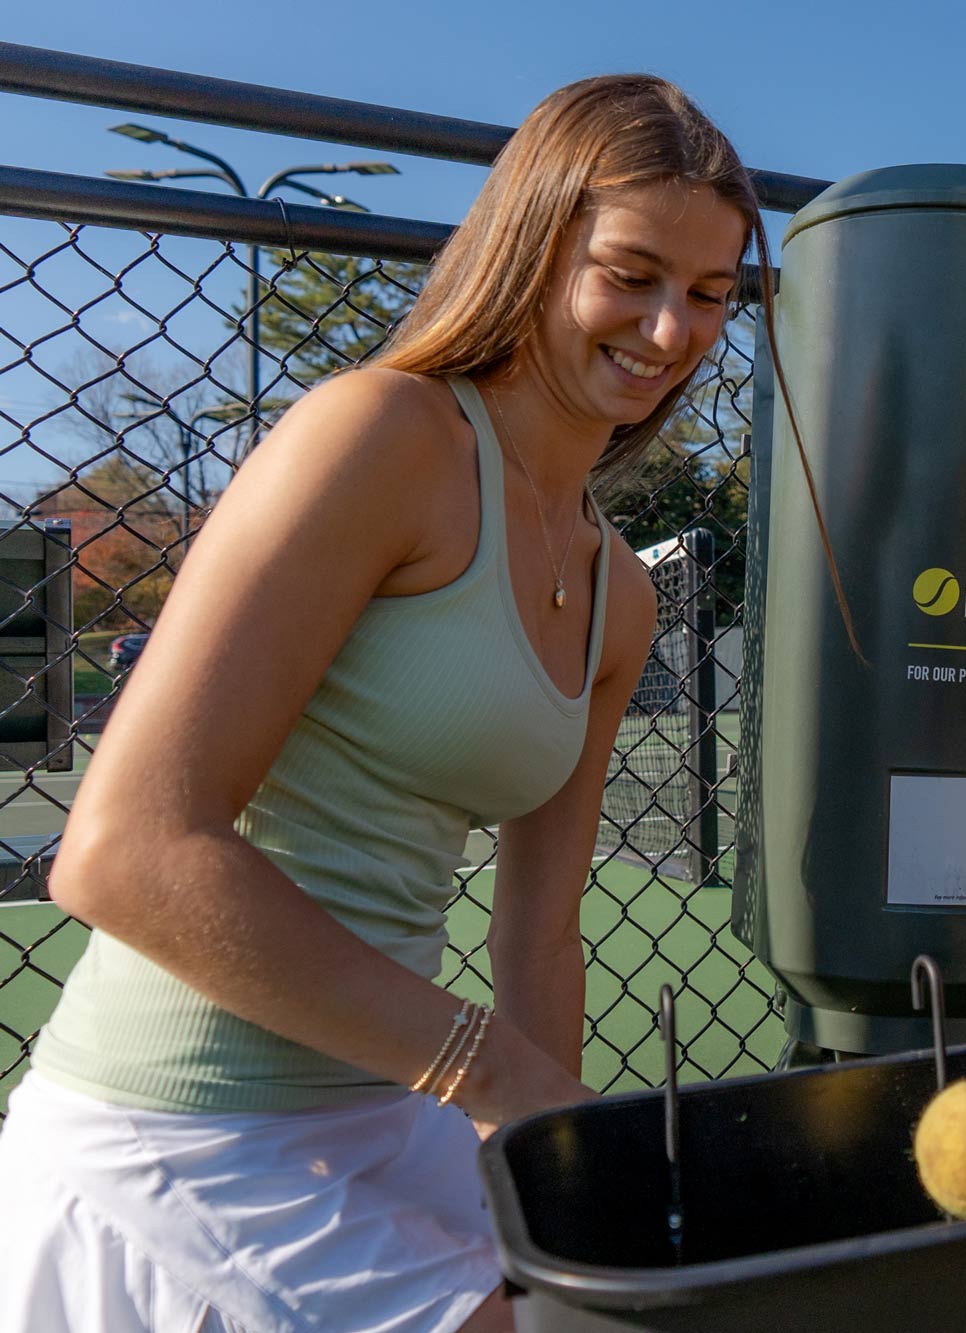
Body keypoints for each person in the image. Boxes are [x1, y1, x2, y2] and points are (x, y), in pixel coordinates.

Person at [0, 74, 768, 1333]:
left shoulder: (617, 592)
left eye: (707, 295)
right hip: (175, 1131)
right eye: (630, 274)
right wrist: (490, 1073)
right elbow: (121, 854)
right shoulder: (378, 437)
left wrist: (557, 1160)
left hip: (373, 1110)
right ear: (533, 252)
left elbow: (541, 931)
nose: (670, 330)